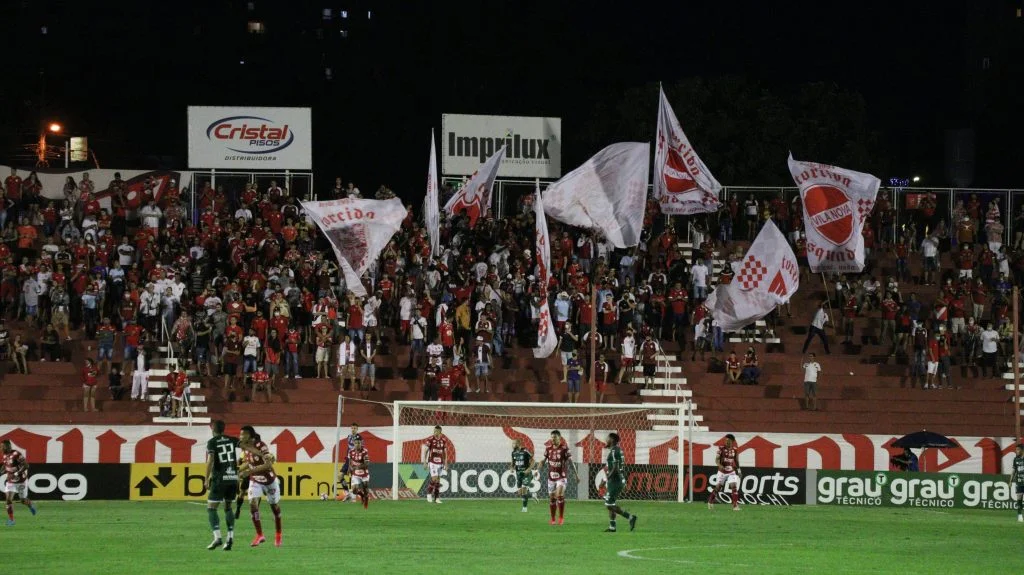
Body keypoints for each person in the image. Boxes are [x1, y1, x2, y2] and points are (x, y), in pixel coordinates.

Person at [239, 426, 283, 547]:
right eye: (240, 435)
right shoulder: (246, 449)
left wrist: (248, 472)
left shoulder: (261, 445)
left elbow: (268, 464)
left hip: (269, 481)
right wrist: (237, 471)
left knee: (275, 508)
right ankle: (259, 535)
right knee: (253, 505)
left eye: (243, 434)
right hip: (256, 480)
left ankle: (278, 534)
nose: (240, 437)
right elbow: (249, 462)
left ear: (250, 435)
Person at [204, 420, 239, 550]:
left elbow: (210, 461)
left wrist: (206, 478)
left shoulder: (212, 442)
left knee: (211, 508)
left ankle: (217, 537)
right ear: (224, 429)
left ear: (213, 429)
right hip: (232, 478)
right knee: (228, 507)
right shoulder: (231, 439)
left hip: (219, 479)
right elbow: (245, 446)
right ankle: (230, 538)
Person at [536, 430, 576, 526]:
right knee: (552, 499)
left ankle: (561, 517)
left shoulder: (564, 449)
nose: (553, 439)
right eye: (552, 437)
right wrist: (538, 469)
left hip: (561, 477)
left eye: (555, 437)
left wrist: (576, 474)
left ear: (560, 438)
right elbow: (543, 460)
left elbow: (570, 462)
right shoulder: (548, 449)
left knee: (559, 495)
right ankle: (553, 519)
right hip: (551, 477)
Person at [600, 432, 637, 532]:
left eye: (607, 438)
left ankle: (630, 517)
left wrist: (605, 480)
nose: (606, 440)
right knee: (611, 504)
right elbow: (614, 467)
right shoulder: (617, 450)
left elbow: (615, 468)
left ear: (612, 440)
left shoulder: (614, 451)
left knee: (609, 504)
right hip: (616, 480)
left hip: (615, 481)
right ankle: (612, 527)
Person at [2, 439, 37, 525]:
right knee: (8, 500)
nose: (0, 448)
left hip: (21, 481)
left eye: (1, 447)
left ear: (7, 446)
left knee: (23, 500)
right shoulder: (5, 455)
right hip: (10, 482)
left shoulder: (16, 454)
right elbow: (5, 466)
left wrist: (16, 473)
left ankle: (30, 505)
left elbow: (26, 465)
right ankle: (11, 520)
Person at [707, 433, 741, 511]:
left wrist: (739, 470)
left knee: (734, 487)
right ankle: (710, 501)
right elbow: (717, 459)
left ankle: (735, 506)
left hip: (731, 471)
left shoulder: (735, 450)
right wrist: (719, 465)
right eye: (725, 440)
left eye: (728, 440)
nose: (726, 442)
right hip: (722, 472)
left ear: (732, 441)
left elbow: (736, 461)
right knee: (718, 487)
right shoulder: (721, 449)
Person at [422, 426, 450, 504]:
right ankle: (428, 494)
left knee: (438, 481)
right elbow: (426, 451)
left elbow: (445, 453)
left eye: (436, 431)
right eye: (434, 431)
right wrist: (425, 462)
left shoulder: (443, 440)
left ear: (440, 432)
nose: (435, 433)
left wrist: (446, 463)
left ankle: (437, 498)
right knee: (434, 479)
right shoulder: (430, 439)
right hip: (432, 462)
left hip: (440, 463)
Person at [509, 438, 535, 512]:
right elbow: (512, 463)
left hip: (526, 474)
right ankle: (532, 495)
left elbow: (533, 461)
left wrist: (528, 470)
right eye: (512, 443)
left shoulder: (525, 451)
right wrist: (511, 468)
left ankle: (524, 508)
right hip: (518, 474)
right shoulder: (513, 453)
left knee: (523, 490)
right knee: (520, 493)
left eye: (514, 443)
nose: (512, 445)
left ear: (519, 444)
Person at [346, 436, 371, 509]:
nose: (357, 444)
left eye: (359, 443)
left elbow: (366, 464)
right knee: (354, 490)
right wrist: (348, 469)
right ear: (354, 443)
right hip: (356, 474)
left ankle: (366, 501)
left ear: (361, 443)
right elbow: (350, 461)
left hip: (364, 473)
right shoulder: (351, 451)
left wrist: (357, 467)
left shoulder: (365, 451)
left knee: (365, 487)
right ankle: (362, 495)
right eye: (356, 443)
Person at [1010, 444, 1024, 522]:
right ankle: (1019, 515)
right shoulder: (1016, 459)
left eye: (1018, 449)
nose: (1016, 451)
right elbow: (1014, 471)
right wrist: (1010, 481)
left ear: (1022, 450)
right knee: (1019, 499)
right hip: (1019, 482)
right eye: (1016, 450)